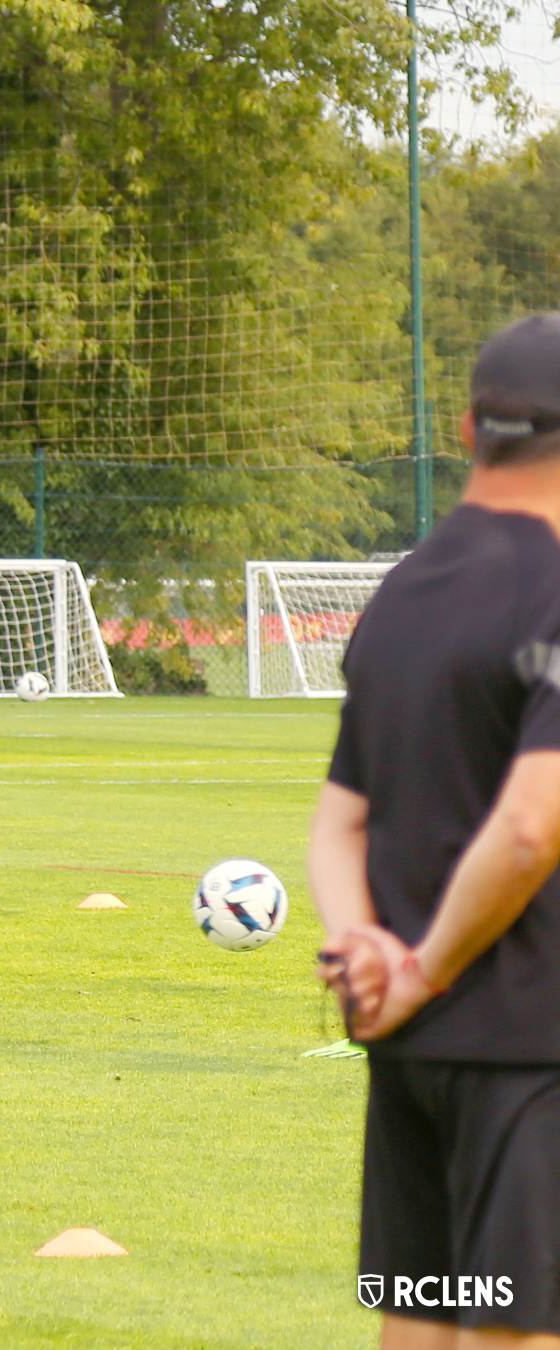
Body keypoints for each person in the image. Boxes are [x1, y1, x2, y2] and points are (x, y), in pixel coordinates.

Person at [311, 312, 560, 1348]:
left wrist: (364, 947)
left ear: (468, 430)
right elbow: (527, 830)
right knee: (516, 1329)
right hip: (525, 1044)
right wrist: (428, 965)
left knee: (423, 1320)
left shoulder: (400, 592)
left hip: (408, 1054)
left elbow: (338, 821)